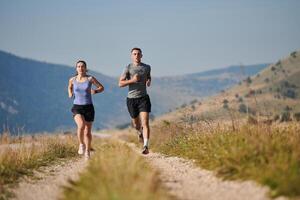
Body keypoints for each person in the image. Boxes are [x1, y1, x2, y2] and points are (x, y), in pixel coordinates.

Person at [68, 60, 104, 159]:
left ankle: (87, 152)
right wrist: (70, 93)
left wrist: (95, 91)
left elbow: (101, 87)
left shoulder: (90, 79)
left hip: (89, 107)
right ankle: (81, 144)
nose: (80, 68)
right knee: (81, 125)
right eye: (78, 66)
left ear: (85, 68)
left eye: (82, 66)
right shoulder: (72, 79)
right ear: (76, 68)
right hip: (77, 107)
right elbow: (70, 87)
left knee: (87, 131)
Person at [119, 47, 152, 154]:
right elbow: (120, 83)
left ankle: (146, 146)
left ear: (141, 55)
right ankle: (139, 132)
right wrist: (132, 80)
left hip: (143, 98)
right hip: (131, 99)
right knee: (136, 124)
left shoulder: (147, 67)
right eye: (134, 54)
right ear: (131, 56)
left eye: (138, 54)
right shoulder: (128, 67)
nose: (136, 55)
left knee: (145, 122)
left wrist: (148, 81)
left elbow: (148, 77)